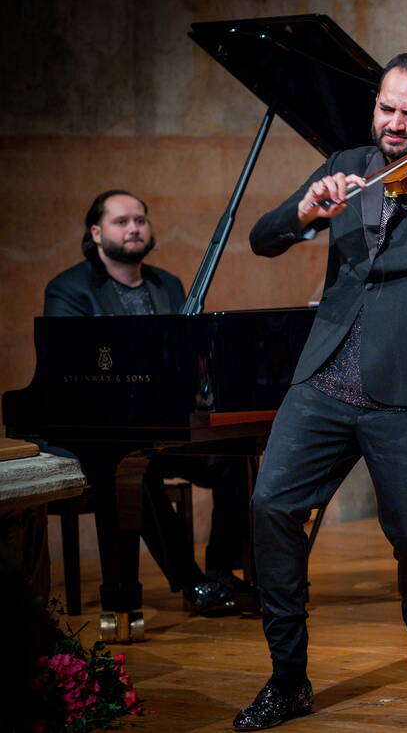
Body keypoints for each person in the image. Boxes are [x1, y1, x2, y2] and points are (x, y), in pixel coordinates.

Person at [232, 52, 407, 730]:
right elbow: (264, 238)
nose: (396, 124)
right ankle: (287, 679)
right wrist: (305, 209)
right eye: (387, 108)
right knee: (269, 505)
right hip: (326, 371)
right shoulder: (345, 163)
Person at [44, 190, 252, 614]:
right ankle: (191, 584)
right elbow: (67, 370)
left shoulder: (167, 284)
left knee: (235, 453)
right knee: (132, 467)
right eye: (122, 221)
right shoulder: (70, 289)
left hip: (166, 424)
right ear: (97, 233)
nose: (134, 227)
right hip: (100, 431)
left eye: (140, 219)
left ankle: (220, 573)